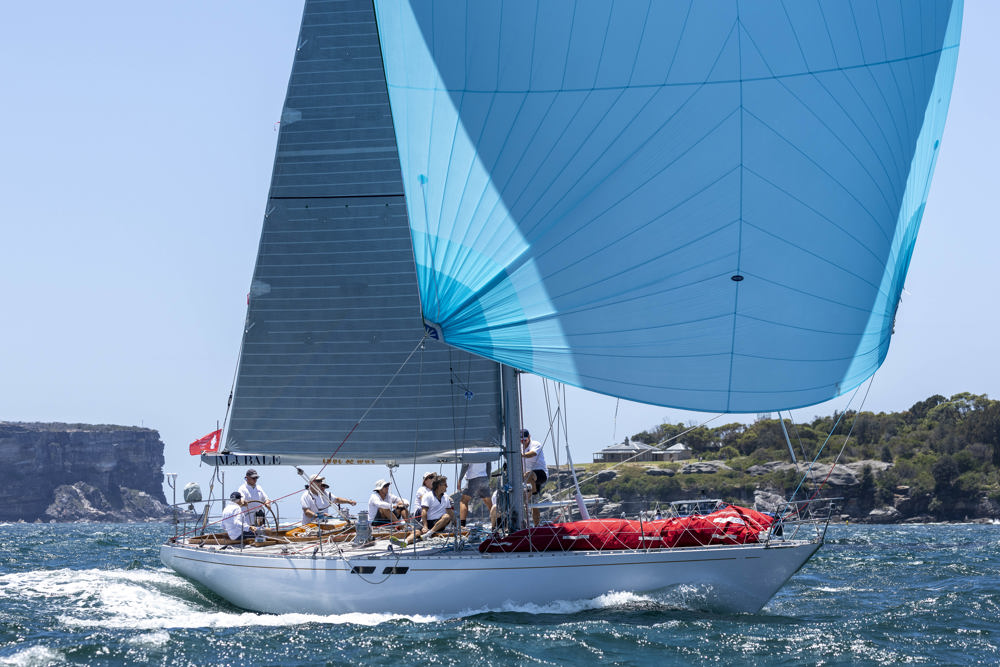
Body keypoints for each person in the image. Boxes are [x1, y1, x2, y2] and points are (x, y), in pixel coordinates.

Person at [394, 475, 454, 546]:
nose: (447, 486)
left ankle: (428, 534)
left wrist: (458, 525)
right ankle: (405, 542)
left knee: (447, 516)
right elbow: (424, 511)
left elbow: (450, 512)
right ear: (439, 486)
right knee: (416, 532)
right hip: (427, 522)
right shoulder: (428, 496)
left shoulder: (446, 497)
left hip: (439, 522)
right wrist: (425, 526)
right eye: (445, 484)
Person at [521, 429, 548, 526]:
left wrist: (521, 455)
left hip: (540, 474)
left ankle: (534, 495)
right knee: (533, 505)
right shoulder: (519, 448)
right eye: (521, 440)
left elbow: (533, 453)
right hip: (528, 479)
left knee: (529, 474)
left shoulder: (535, 444)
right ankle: (536, 526)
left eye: (525, 440)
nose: (523, 442)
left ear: (529, 437)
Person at [459, 461, 493, 526]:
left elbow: (465, 465)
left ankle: (462, 525)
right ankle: (497, 523)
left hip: (473, 478)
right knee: (488, 502)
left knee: (464, 501)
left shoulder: (468, 450)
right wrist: (487, 479)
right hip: (484, 478)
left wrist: (460, 479)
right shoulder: (486, 450)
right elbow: (489, 465)